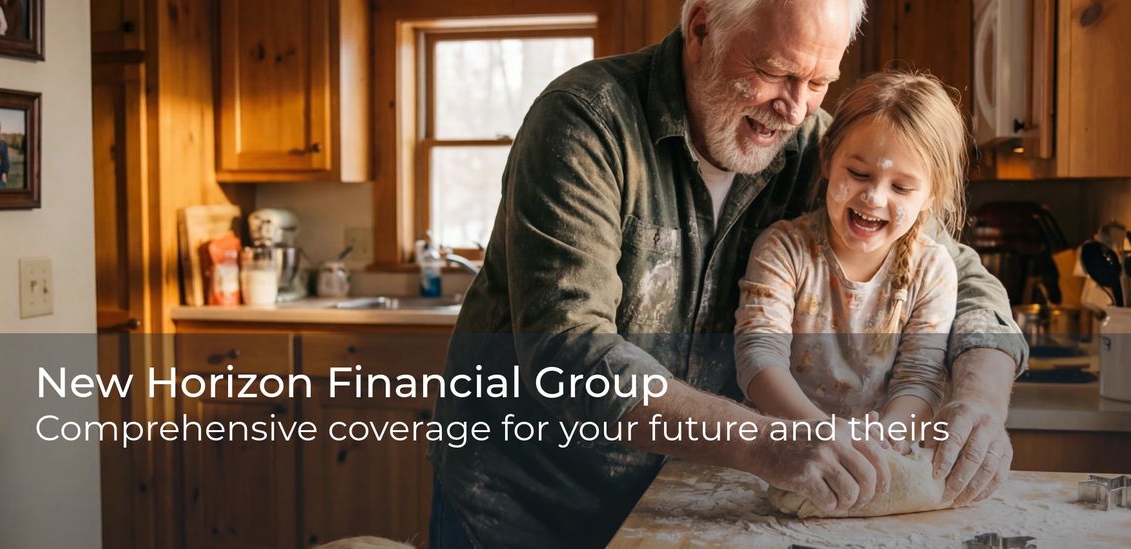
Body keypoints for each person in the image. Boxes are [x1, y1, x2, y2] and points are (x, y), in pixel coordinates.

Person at [429, 1, 1026, 547]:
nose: (794, 107)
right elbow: (567, 350)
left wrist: (978, 399)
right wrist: (767, 441)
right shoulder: (586, 122)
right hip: (529, 507)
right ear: (700, 27)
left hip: (680, 505)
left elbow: (963, 276)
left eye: (818, 82)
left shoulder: (813, 145)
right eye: (774, 71)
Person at [735, 71, 966, 453]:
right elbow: (758, 356)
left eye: (901, 187)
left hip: (880, 459)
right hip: (782, 453)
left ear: (931, 194)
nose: (874, 198)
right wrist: (820, 434)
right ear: (827, 157)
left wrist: (884, 441)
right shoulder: (784, 249)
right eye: (858, 174)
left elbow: (919, 379)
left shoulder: (932, 271)